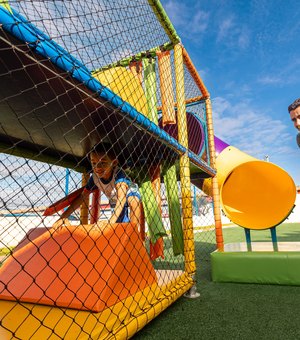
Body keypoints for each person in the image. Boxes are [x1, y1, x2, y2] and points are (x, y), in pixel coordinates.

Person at [53, 145, 141, 229]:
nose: (97, 167)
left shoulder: (118, 174)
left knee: (133, 202)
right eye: (94, 163)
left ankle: (134, 233)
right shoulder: (95, 178)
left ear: (114, 163)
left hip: (129, 192)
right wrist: (63, 216)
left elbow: (122, 197)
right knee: (120, 224)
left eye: (103, 163)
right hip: (114, 199)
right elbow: (82, 197)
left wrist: (111, 222)